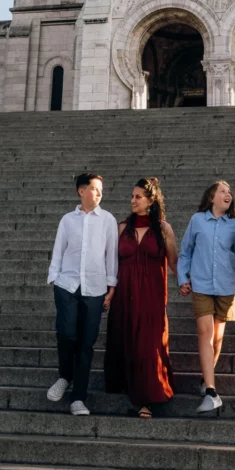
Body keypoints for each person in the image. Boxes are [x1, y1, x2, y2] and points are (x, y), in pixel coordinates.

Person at [104, 177, 178, 419]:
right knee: (126, 341)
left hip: (152, 297)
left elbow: (176, 263)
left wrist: (191, 282)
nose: (132, 200)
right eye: (132, 196)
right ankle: (126, 385)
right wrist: (109, 289)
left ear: (151, 200)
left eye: (138, 197)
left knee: (148, 345)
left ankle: (146, 399)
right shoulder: (122, 227)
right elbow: (110, 263)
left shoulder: (164, 229)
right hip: (124, 294)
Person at [46, 172, 118, 416]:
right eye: (94, 189)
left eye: (101, 190)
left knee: (86, 343)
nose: (98, 193)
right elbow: (58, 250)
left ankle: (79, 398)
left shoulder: (108, 220)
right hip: (67, 285)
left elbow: (111, 255)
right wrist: (54, 278)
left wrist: (111, 286)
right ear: (81, 191)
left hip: (95, 289)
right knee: (66, 333)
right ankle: (65, 376)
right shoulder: (68, 220)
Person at [178, 180, 235, 413]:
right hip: (200, 285)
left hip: (226, 287)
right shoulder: (197, 220)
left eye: (230, 192)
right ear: (211, 197)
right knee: (205, 333)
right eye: (222, 191)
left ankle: (205, 378)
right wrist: (183, 279)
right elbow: (185, 252)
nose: (228, 194)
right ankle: (211, 390)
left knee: (217, 339)